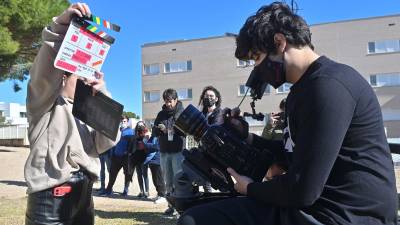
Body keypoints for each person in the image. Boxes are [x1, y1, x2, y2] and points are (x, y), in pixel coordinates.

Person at [178, 2, 397, 225]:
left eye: (256, 58)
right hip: (319, 207)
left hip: (345, 215)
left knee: (195, 220)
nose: (256, 69)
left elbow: (303, 189)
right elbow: (290, 155)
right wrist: (246, 136)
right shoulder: (300, 92)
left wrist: (250, 188)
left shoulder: (330, 86)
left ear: (279, 42)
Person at [24, 3, 119, 225]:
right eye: (81, 76)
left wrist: (102, 94)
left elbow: (108, 141)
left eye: (89, 77)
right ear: (64, 78)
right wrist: (60, 26)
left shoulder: (87, 110)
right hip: (51, 196)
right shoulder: (45, 104)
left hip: (84, 195)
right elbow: (45, 71)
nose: (87, 81)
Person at [152, 88, 186, 216]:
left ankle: (180, 208)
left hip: (178, 151)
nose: (168, 104)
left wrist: (171, 130)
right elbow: (154, 131)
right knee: (168, 180)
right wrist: (159, 129)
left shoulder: (182, 112)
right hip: (164, 151)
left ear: (176, 100)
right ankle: (170, 206)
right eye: (166, 101)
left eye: (170, 101)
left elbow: (185, 131)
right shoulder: (161, 114)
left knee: (178, 179)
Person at [198, 85, 223, 192]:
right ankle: (209, 197)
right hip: (204, 149)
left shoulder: (219, 113)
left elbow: (215, 129)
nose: (208, 98)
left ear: (216, 99)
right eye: (206, 96)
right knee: (205, 178)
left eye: (211, 96)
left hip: (217, 151)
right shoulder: (202, 114)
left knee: (220, 177)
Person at [101, 116, 134, 196]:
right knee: (112, 173)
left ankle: (125, 190)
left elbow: (132, 144)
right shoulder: (117, 131)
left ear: (128, 122)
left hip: (125, 157)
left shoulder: (130, 132)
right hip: (116, 156)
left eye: (125, 121)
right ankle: (108, 190)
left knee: (127, 174)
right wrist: (112, 154)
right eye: (122, 121)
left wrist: (128, 152)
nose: (123, 123)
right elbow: (113, 143)